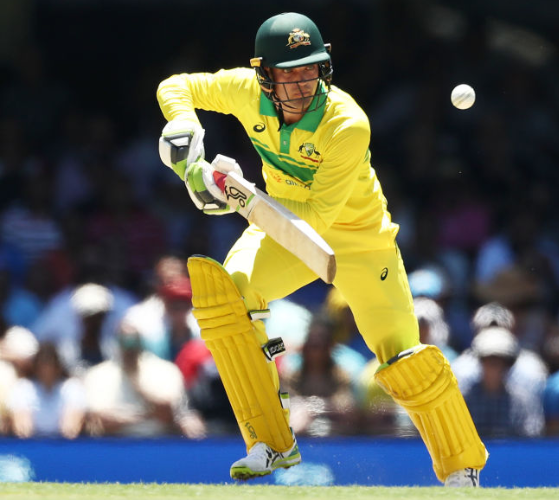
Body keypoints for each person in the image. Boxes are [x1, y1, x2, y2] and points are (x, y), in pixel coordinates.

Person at [156, 12, 486, 486]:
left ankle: (461, 470)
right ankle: (271, 441)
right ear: (263, 73)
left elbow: (313, 221)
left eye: (309, 69)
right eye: (288, 72)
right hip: (278, 222)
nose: (300, 83)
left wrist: (232, 193)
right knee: (228, 295)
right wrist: (185, 130)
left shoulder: (347, 122)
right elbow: (176, 85)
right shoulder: (244, 90)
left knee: (401, 354)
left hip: (360, 239)